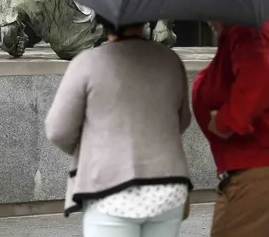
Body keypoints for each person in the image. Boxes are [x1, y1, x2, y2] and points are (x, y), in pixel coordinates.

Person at [45, 16, 192, 237]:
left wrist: (92, 150)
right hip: (168, 188)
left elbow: (58, 130)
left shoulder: (87, 63)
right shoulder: (170, 60)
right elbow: (182, 121)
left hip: (110, 191)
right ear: (144, 21)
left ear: (102, 21)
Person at [193, 18, 269, 236]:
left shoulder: (246, 30)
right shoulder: (258, 31)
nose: (207, 18)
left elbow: (260, 78)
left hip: (260, 173)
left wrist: (225, 121)